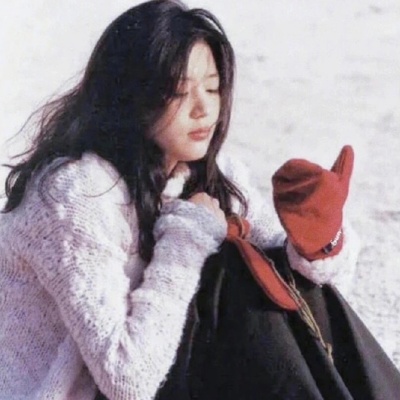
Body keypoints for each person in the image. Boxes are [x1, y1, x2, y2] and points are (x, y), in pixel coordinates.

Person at [0, 0, 369, 399]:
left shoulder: (209, 173)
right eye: (179, 91)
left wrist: (317, 242)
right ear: (129, 96)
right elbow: (127, 380)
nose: (204, 108)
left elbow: (307, 296)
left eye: (212, 87)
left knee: (278, 270)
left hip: (165, 377)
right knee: (225, 272)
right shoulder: (76, 194)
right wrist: (187, 240)